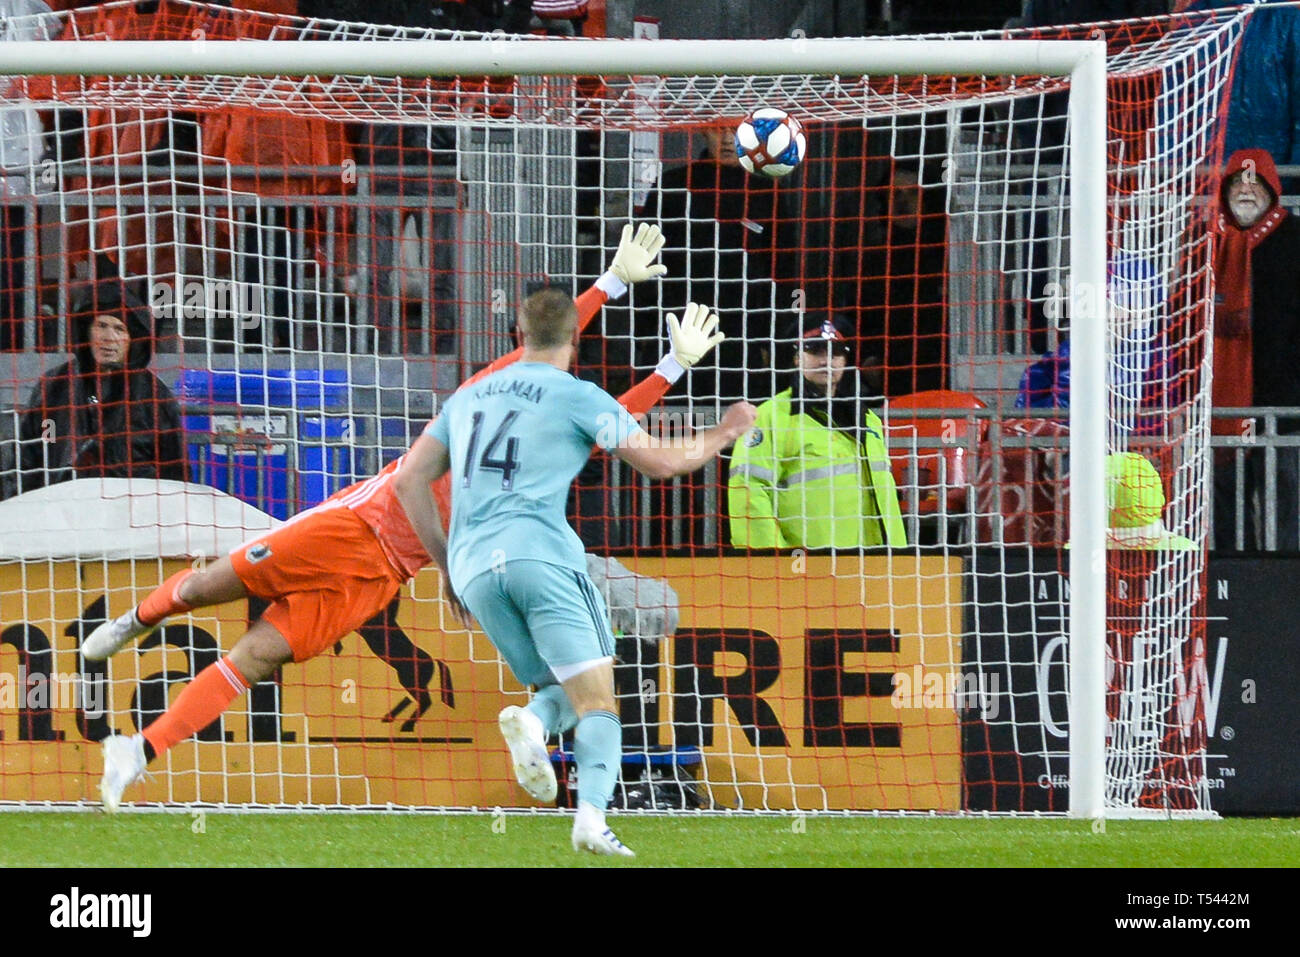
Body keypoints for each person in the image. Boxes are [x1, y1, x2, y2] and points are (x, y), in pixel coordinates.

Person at [81, 225, 701, 828]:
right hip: (353, 528)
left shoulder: (544, 429)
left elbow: (612, 419)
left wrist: (672, 365)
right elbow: (544, 343)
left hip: (383, 575)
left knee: (256, 658)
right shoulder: (483, 395)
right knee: (205, 588)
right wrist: (611, 285)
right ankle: (133, 620)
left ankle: (136, 752)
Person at [396, 292, 754, 857]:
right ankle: (591, 816)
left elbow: (408, 481)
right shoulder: (578, 395)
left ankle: (534, 723)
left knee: (556, 691)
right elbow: (662, 462)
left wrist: (444, 565)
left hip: (472, 570)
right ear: (576, 337)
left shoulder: (466, 398)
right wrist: (725, 432)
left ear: (518, 330)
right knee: (599, 703)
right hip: (541, 557)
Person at [728, 313, 906, 549]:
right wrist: (773, 563)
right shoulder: (769, 417)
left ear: (845, 360)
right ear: (797, 358)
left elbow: (885, 496)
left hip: (876, 566)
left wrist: (898, 556)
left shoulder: (868, 420)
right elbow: (748, 492)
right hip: (808, 571)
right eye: (815, 351)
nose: (827, 361)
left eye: (836, 353)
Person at [12, 276, 185, 495]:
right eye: (101, 325)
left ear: (133, 340)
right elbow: (26, 460)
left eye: (119, 329)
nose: (108, 337)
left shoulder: (154, 397)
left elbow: (176, 474)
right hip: (63, 513)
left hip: (130, 515)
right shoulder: (53, 387)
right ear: (87, 332)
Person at [1210, 149, 1300, 551]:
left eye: (1254, 183)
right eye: (1236, 184)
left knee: (1287, 504)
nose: (1245, 191)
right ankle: (1231, 590)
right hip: (1224, 405)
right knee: (1227, 504)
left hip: (1285, 404)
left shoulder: (1295, 240)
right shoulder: (1207, 246)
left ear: (1272, 191)